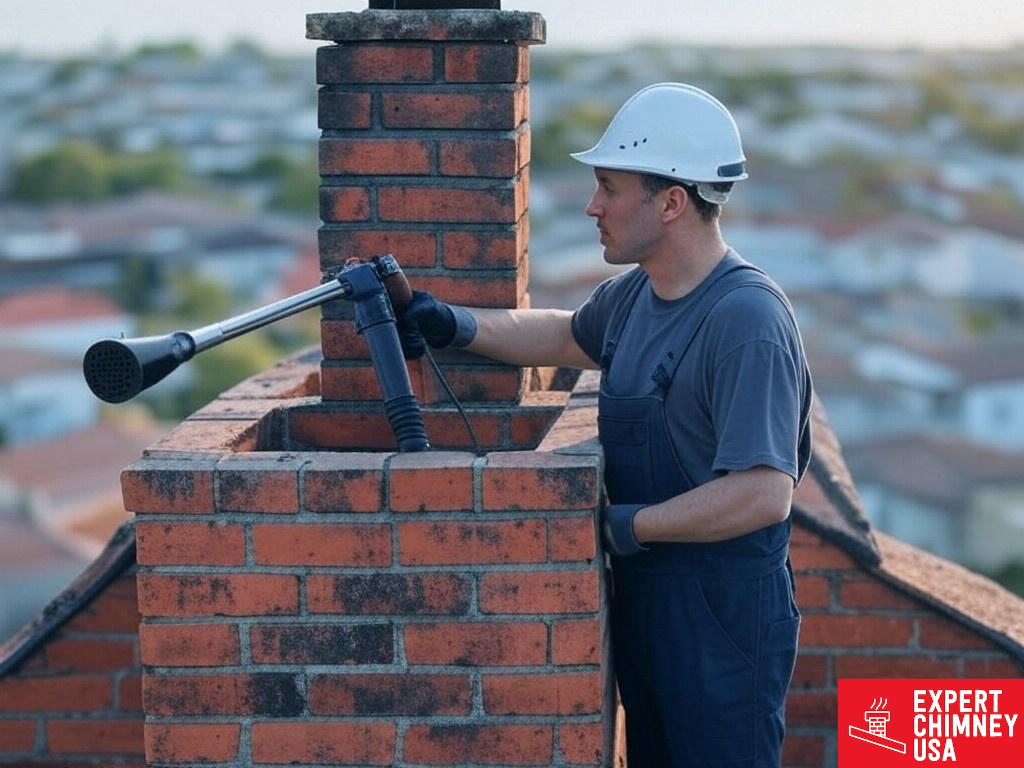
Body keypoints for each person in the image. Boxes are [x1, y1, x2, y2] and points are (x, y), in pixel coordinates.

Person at [398, 82, 813, 768]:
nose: (593, 206)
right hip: (652, 603)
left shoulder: (746, 321)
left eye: (609, 188)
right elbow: (567, 337)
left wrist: (625, 526)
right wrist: (456, 324)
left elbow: (763, 492)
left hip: (722, 621)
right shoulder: (638, 295)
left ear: (672, 201)